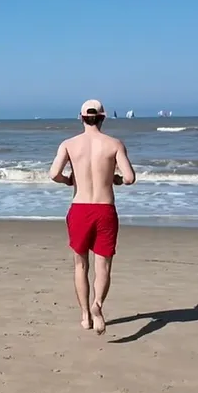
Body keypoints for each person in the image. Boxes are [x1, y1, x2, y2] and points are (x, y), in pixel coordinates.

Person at [48, 99, 136, 334]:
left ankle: (86, 316)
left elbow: (53, 173)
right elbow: (129, 178)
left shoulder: (69, 144)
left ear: (81, 118)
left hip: (80, 209)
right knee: (103, 265)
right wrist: (116, 180)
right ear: (103, 117)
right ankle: (98, 305)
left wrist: (68, 180)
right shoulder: (114, 144)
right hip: (104, 209)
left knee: (80, 264)